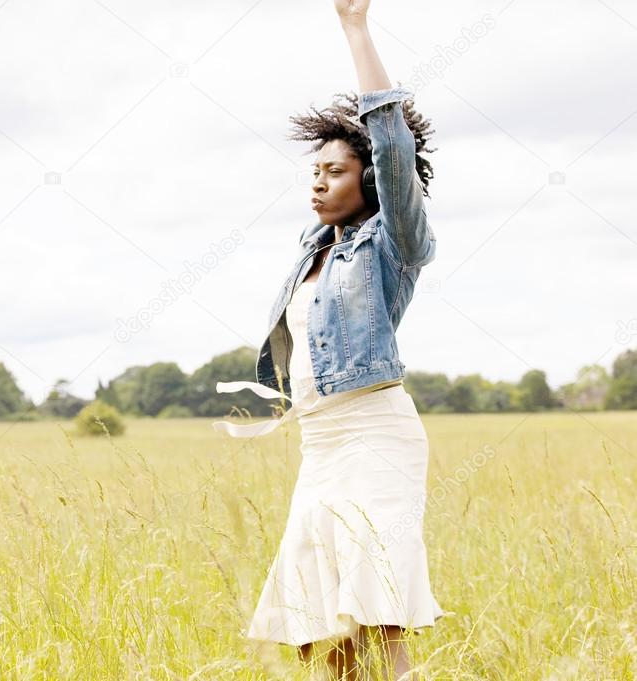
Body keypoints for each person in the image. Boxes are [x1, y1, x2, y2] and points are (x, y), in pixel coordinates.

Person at [211, 1, 444, 678]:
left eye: (335, 171)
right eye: (313, 171)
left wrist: (354, 28)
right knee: (322, 624)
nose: (318, 180)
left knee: (377, 607)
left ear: (369, 179)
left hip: (374, 433)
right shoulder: (313, 246)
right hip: (320, 443)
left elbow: (392, 144)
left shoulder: (391, 244)